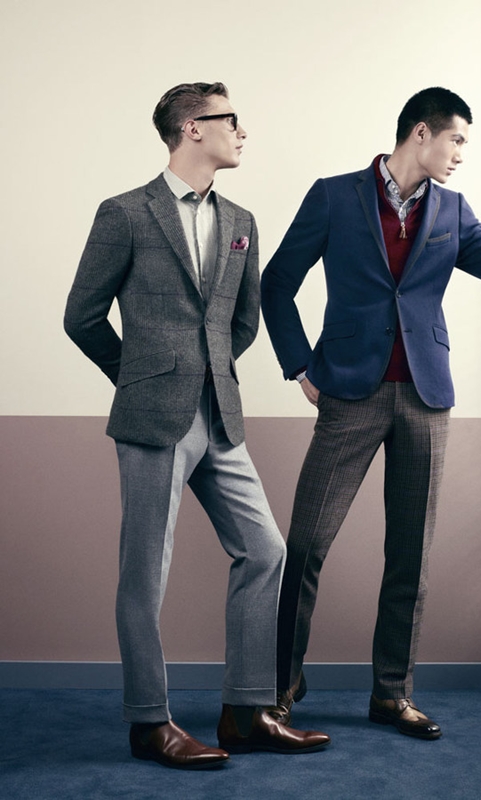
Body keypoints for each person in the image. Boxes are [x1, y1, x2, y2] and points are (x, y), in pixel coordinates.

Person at [260, 86, 481, 740]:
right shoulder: (334, 196)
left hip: (426, 397)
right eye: (456, 139)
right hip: (349, 392)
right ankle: (279, 686)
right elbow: (276, 282)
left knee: (410, 555)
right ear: (421, 133)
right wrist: (300, 366)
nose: (461, 154)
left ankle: (392, 694)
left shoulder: (453, 211)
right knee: (306, 544)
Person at [64, 82, 329, 770]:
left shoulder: (241, 219)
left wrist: (208, 371)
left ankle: (246, 711)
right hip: (152, 417)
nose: (241, 131)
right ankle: (149, 722)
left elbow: (244, 319)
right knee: (145, 573)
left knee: (264, 550)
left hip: (220, 414)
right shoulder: (125, 213)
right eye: (230, 119)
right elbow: (81, 316)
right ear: (192, 128)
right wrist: (142, 375)